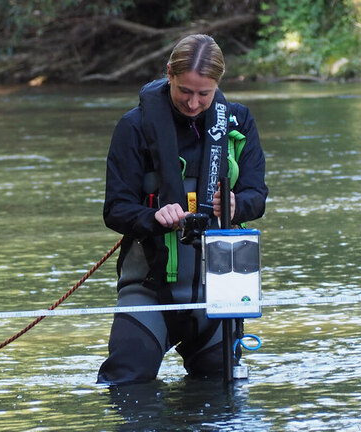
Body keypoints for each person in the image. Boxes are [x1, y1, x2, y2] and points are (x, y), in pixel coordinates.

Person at [97, 34, 268, 385]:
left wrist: (237, 204)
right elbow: (115, 208)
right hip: (149, 288)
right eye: (184, 91)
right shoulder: (133, 127)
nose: (193, 103)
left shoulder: (239, 123)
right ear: (169, 75)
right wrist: (152, 217)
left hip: (218, 290)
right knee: (125, 385)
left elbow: (257, 197)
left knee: (221, 393)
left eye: (204, 94)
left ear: (218, 84)